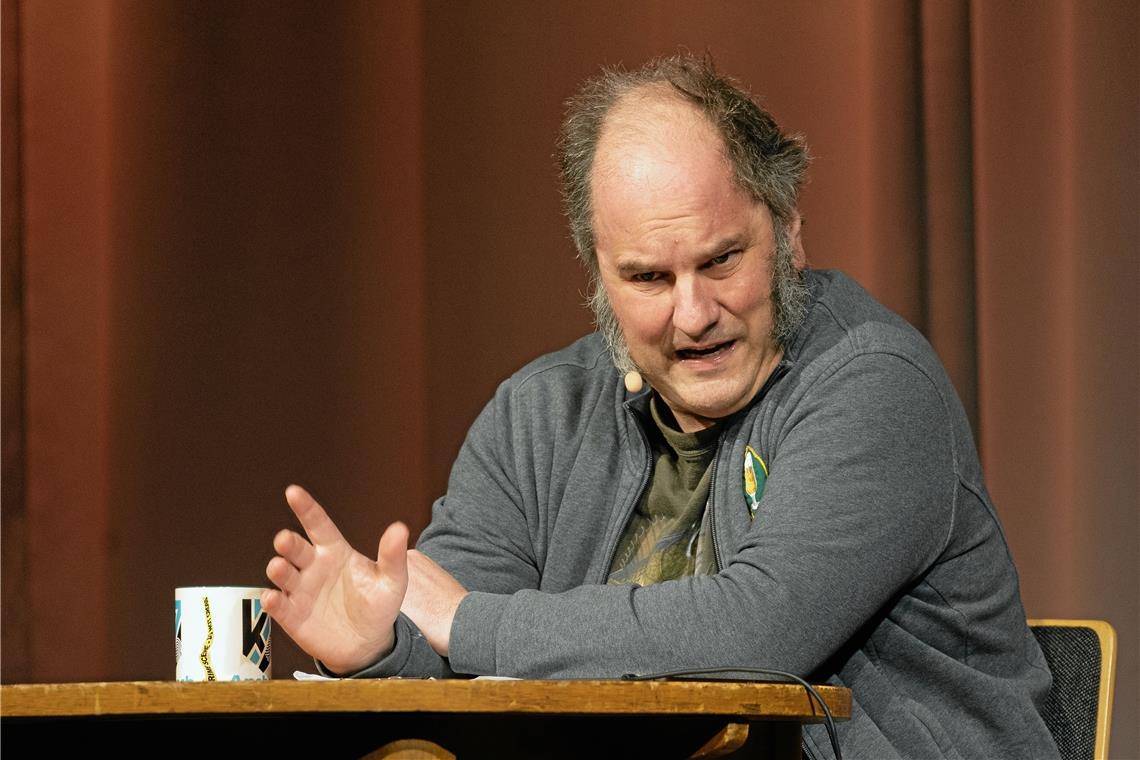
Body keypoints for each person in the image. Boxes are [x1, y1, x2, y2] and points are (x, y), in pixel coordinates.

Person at [263, 54, 1059, 759]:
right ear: (598, 274)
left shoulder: (873, 385)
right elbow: (446, 657)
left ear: (788, 233)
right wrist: (375, 651)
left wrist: (472, 623)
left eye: (721, 261)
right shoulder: (538, 416)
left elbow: (756, 633)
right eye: (648, 277)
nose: (693, 313)